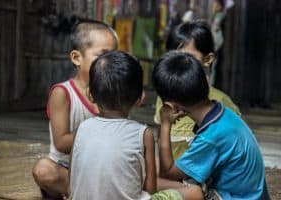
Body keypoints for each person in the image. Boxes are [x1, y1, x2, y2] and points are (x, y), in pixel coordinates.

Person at [69, 50, 202, 200]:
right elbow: (150, 190)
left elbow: (71, 181)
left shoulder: (81, 128)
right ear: (140, 98)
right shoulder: (143, 134)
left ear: (90, 94)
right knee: (195, 193)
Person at [152, 51, 270, 199]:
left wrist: (165, 124)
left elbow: (168, 172)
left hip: (233, 196)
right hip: (246, 194)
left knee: (151, 182)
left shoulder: (212, 137)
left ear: (173, 107)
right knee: (151, 170)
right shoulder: (223, 114)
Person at [32, 20, 118, 199]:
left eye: (114, 56)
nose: (110, 63)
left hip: (100, 169)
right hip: (67, 169)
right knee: (43, 170)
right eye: (103, 55)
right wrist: (102, 130)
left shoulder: (114, 92)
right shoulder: (63, 93)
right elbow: (62, 142)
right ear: (77, 58)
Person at [154, 21, 240, 159]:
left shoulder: (223, 103)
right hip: (174, 173)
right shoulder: (164, 98)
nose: (178, 65)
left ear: (208, 59)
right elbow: (162, 138)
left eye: (188, 58)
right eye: (173, 57)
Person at [210, 0, 226, 86]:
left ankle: (211, 84)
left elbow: (215, 29)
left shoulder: (219, 16)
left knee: (213, 65)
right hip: (216, 42)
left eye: (215, 3)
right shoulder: (217, 15)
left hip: (216, 43)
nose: (213, 5)